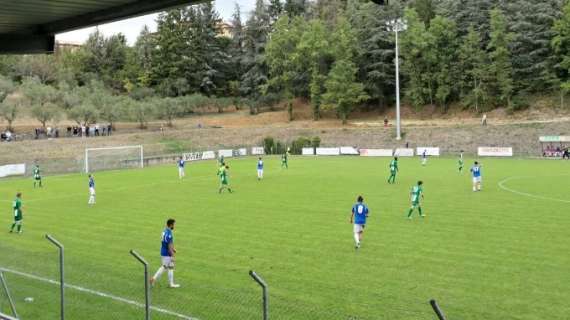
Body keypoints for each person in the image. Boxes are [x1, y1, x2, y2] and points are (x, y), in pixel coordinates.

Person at [150, 219, 180, 288]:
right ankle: (153, 279)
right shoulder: (169, 234)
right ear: (171, 225)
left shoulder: (164, 231)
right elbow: (169, 246)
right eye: (174, 224)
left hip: (163, 251)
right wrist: (172, 256)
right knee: (164, 267)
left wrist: (173, 248)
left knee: (170, 267)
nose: (175, 226)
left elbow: (166, 243)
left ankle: (171, 284)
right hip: (167, 254)